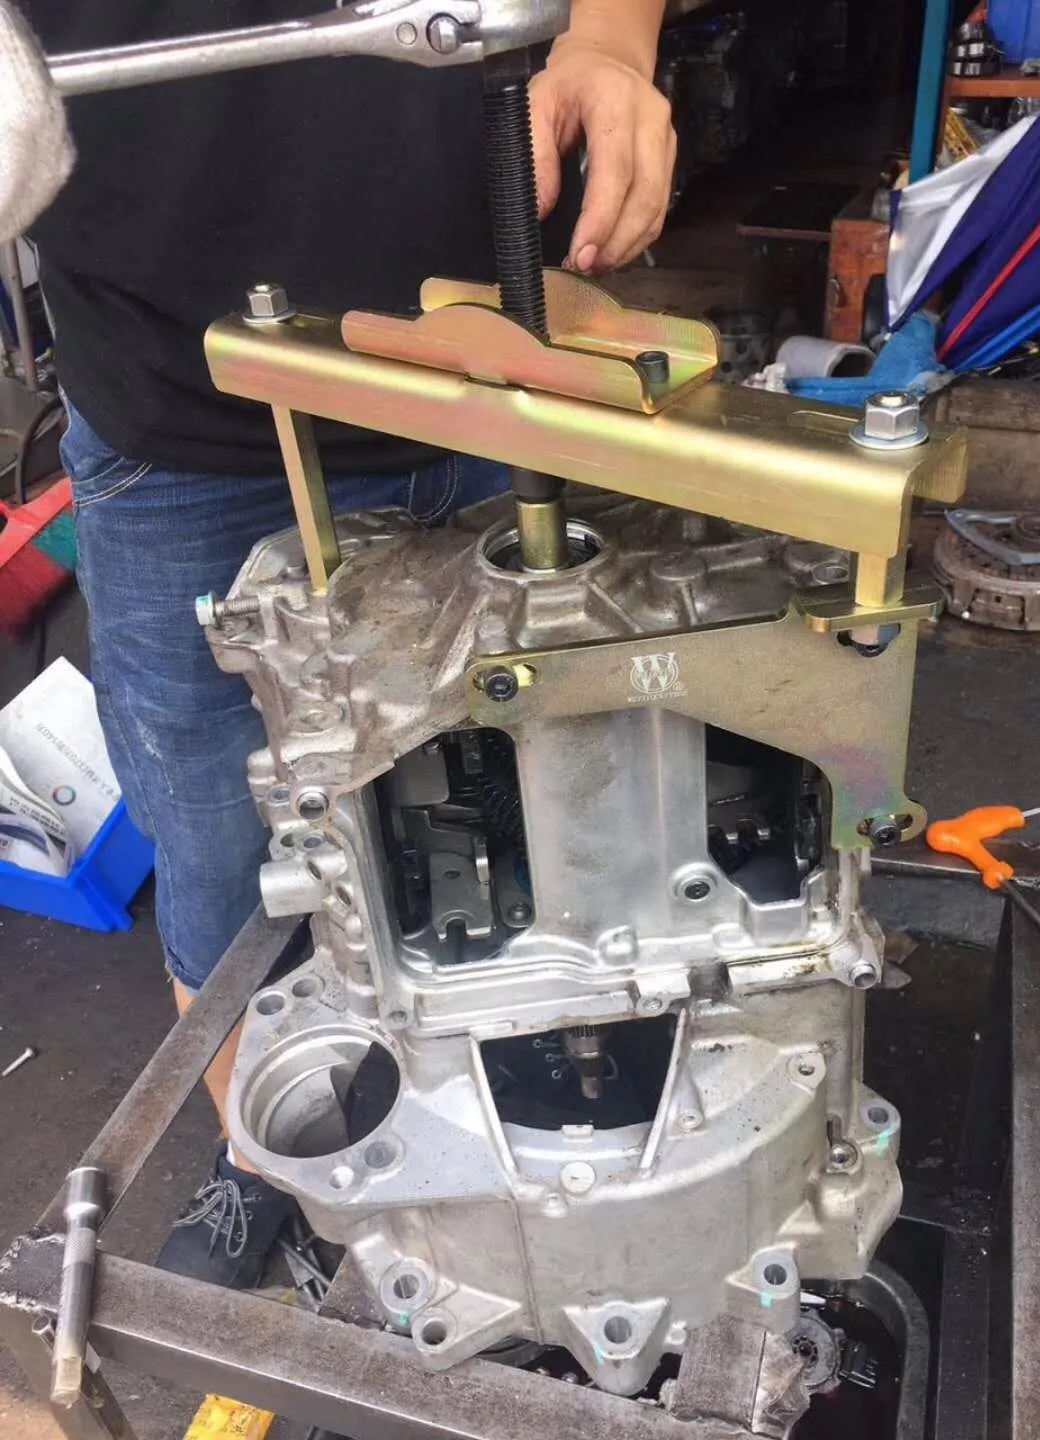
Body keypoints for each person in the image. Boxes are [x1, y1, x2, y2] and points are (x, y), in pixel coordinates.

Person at [3, 0, 676, 1288]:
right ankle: (281, 1164)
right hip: (180, 414)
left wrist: (608, 42)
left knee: (545, 813)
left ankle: (536, 1143)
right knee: (226, 855)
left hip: (499, 375)